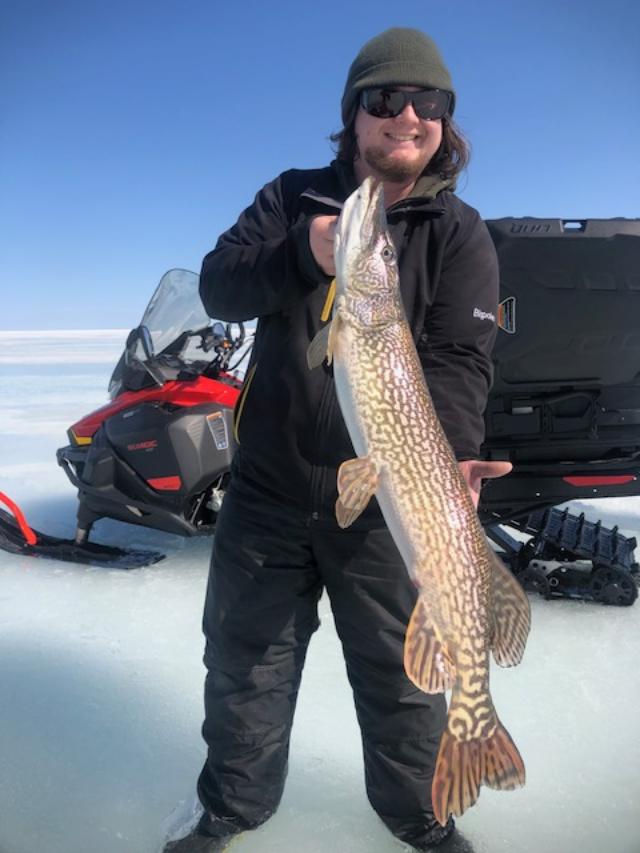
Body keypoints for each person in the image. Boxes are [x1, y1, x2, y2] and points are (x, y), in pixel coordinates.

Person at [163, 27, 511, 853]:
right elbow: (219, 284)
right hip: (271, 494)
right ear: (354, 116)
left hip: (390, 503)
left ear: (445, 121)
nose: (408, 116)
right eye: (385, 100)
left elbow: (461, 361)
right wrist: (302, 253)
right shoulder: (294, 199)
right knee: (245, 668)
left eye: (429, 102)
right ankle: (230, 809)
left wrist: (454, 456)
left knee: (404, 682)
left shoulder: (459, 235)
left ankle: (422, 814)